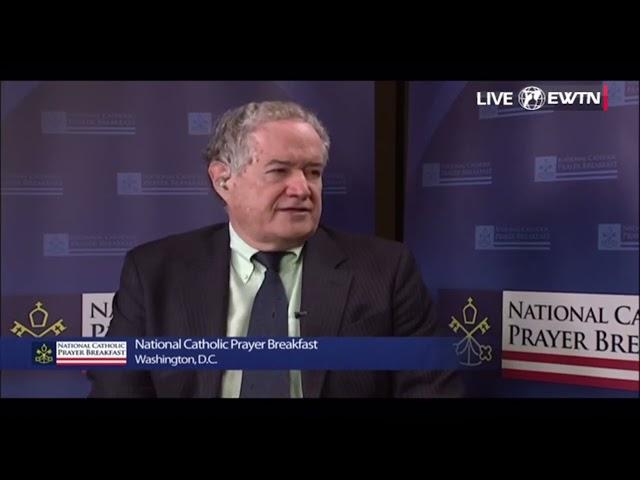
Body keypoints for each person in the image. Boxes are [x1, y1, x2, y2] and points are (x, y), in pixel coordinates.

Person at [88, 100, 460, 398]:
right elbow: (116, 390)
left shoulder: (385, 271)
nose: (302, 189)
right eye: (279, 171)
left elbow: (430, 388)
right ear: (223, 180)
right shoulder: (155, 272)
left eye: (313, 172)